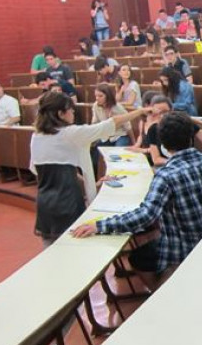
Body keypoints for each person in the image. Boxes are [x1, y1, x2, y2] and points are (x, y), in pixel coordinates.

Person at [71, 111, 202, 287]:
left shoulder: (166, 175)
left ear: (163, 143)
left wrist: (99, 225)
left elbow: (145, 216)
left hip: (182, 248)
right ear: (191, 137)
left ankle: (162, 292)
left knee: (137, 257)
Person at [30, 92, 149, 247]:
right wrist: (139, 111)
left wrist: (93, 182)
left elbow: (53, 172)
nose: (73, 112)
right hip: (68, 202)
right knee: (75, 249)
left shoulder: (36, 136)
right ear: (60, 114)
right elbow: (109, 124)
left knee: (52, 253)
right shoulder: (70, 133)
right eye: (70, 109)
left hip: (45, 203)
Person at [127, 92, 169, 166]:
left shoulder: (162, 126)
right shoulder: (143, 122)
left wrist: (143, 150)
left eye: (164, 112)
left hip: (155, 158)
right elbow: (140, 137)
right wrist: (135, 146)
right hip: (145, 156)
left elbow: (159, 150)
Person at [91, 83, 134, 150]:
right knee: (93, 147)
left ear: (107, 96)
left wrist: (133, 141)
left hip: (120, 135)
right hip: (105, 136)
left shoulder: (117, 107)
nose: (97, 98)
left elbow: (128, 126)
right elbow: (94, 123)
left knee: (118, 151)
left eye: (100, 96)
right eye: (96, 96)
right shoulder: (96, 106)